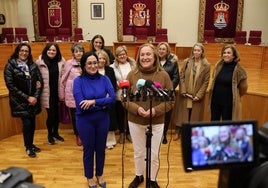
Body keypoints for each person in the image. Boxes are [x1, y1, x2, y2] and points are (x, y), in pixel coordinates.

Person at [125, 43, 173, 188]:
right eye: (142, 55)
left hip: (157, 122)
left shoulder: (163, 75)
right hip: (135, 120)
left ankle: (152, 178)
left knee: (154, 154)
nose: (145, 57)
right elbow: (125, 99)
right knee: (138, 152)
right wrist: (137, 109)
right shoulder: (131, 75)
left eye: (148, 54)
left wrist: (155, 111)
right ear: (138, 57)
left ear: (155, 57)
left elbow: (170, 100)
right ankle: (139, 176)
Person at [73, 51, 115, 188]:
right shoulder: (78, 81)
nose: (93, 66)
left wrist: (93, 102)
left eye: (95, 62)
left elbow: (113, 98)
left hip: (103, 119)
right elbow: (81, 105)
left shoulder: (105, 79)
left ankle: (100, 174)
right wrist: (102, 104)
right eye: (89, 63)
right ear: (84, 65)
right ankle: (89, 176)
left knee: (101, 148)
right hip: (85, 120)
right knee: (89, 149)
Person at [4, 43, 43, 157]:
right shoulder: (10, 66)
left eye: (26, 51)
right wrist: (27, 98)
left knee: (32, 124)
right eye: (22, 50)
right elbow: (11, 86)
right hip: (20, 101)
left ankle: (31, 144)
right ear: (17, 51)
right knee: (27, 124)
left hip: (33, 101)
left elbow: (40, 83)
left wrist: (35, 97)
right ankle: (28, 147)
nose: (24, 53)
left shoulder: (33, 65)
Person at [173, 43, 210, 140]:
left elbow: (206, 81)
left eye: (198, 50)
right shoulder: (187, 62)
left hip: (197, 94)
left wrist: (200, 94)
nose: (196, 52)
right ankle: (178, 131)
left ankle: (191, 134)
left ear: (202, 52)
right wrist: (183, 89)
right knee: (182, 113)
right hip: (185, 93)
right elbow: (181, 76)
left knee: (194, 115)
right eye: (195, 50)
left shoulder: (206, 65)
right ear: (192, 51)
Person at [36, 42, 65, 145]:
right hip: (47, 93)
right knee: (51, 115)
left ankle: (56, 133)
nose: (51, 52)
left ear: (57, 52)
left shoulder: (61, 61)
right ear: (46, 50)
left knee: (57, 115)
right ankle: (50, 134)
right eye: (49, 50)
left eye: (54, 50)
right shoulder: (40, 62)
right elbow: (35, 76)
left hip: (57, 92)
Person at [209, 44, 248, 121]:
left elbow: (243, 89)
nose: (226, 55)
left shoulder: (240, 70)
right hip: (215, 101)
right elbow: (214, 79)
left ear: (234, 56)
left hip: (228, 103)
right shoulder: (218, 65)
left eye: (228, 53)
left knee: (226, 125)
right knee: (213, 122)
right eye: (224, 52)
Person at [59, 43, 84, 146]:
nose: (79, 53)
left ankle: (84, 133)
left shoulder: (87, 61)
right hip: (71, 94)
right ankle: (77, 135)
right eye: (76, 51)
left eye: (80, 51)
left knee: (84, 115)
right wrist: (62, 95)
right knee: (75, 117)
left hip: (84, 94)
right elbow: (63, 80)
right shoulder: (68, 63)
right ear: (73, 53)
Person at [110, 45, 136, 144]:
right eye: (119, 55)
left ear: (126, 54)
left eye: (123, 54)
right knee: (120, 115)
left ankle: (129, 133)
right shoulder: (112, 67)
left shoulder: (133, 64)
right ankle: (121, 133)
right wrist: (118, 84)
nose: (122, 56)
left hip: (131, 94)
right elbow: (112, 80)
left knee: (130, 114)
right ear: (116, 56)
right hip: (119, 94)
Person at [156, 42, 179, 144]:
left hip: (168, 93)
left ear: (167, 51)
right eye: (159, 49)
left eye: (163, 49)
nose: (161, 51)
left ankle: (164, 134)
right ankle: (156, 134)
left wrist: (168, 89)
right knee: (156, 113)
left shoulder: (173, 62)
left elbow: (176, 77)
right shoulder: (153, 61)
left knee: (167, 115)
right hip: (155, 93)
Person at [97, 49, 117, 149]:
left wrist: (108, 97)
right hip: (96, 100)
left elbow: (113, 85)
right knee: (99, 121)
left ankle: (110, 141)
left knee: (109, 120)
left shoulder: (110, 70)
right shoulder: (93, 70)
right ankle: (100, 141)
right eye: (99, 58)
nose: (101, 60)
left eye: (104, 58)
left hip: (108, 99)